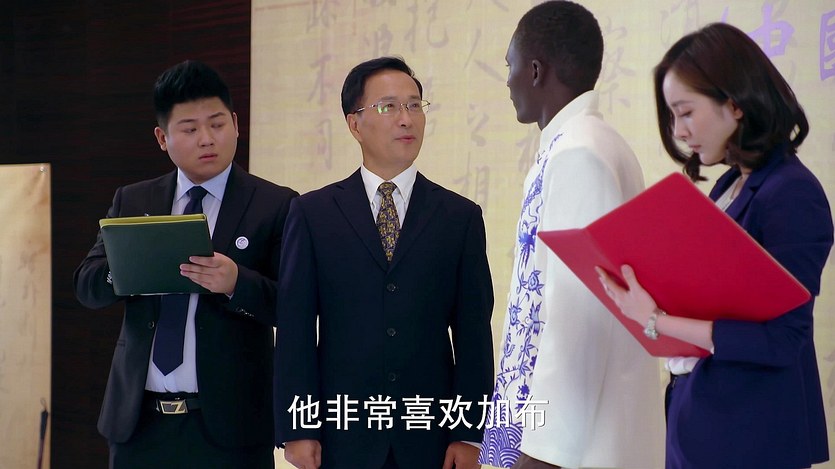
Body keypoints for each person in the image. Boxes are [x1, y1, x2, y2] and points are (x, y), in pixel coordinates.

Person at [598, 22, 833, 469]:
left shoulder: (792, 192)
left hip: (753, 435)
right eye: (672, 117)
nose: (679, 131)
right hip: (702, 418)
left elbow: (784, 339)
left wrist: (656, 320)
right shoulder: (728, 184)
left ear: (735, 103)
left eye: (685, 112)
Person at [74, 60, 298, 468]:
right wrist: (126, 267)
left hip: (231, 429)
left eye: (217, 124)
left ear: (236, 124)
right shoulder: (133, 200)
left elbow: (295, 306)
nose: (206, 139)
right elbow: (87, 287)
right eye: (190, 129)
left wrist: (236, 282)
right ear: (163, 138)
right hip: (139, 426)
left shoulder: (276, 204)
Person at [274, 56, 494, 469]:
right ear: (355, 124)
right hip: (341, 435)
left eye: (414, 105)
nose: (406, 119)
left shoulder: (459, 217)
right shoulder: (313, 213)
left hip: (429, 436)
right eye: (388, 106)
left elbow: (473, 334)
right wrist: (298, 428)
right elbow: (296, 329)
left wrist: (468, 433)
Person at [479, 2, 665, 468]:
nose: (507, 81)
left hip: (574, 445)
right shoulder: (579, 144)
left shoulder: (579, 153)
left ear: (535, 70)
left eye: (510, 65)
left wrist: (542, 451)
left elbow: (578, 310)